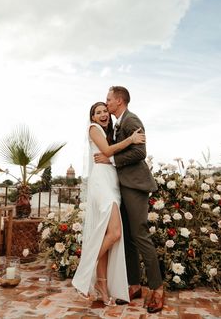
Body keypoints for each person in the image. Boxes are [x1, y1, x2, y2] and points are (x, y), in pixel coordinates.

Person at [94, 87, 164, 313]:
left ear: (119, 101)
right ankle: (134, 285)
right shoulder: (117, 124)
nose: (106, 103)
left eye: (108, 99)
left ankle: (157, 290)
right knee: (129, 239)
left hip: (135, 185)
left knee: (140, 235)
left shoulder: (132, 120)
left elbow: (139, 152)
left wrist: (111, 160)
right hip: (121, 187)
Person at [72, 101, 145, 306]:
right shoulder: (93, 129)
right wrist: (131, 139)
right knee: (115, 233)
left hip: (112, 183)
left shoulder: (108, 131)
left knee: (106, 234)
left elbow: (111, 154)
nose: (103, 114)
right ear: (93, 117)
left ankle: (102, 286)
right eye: (98, 112)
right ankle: (84, 271)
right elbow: (107, 150)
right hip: (101, 184)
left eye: (105, 111)